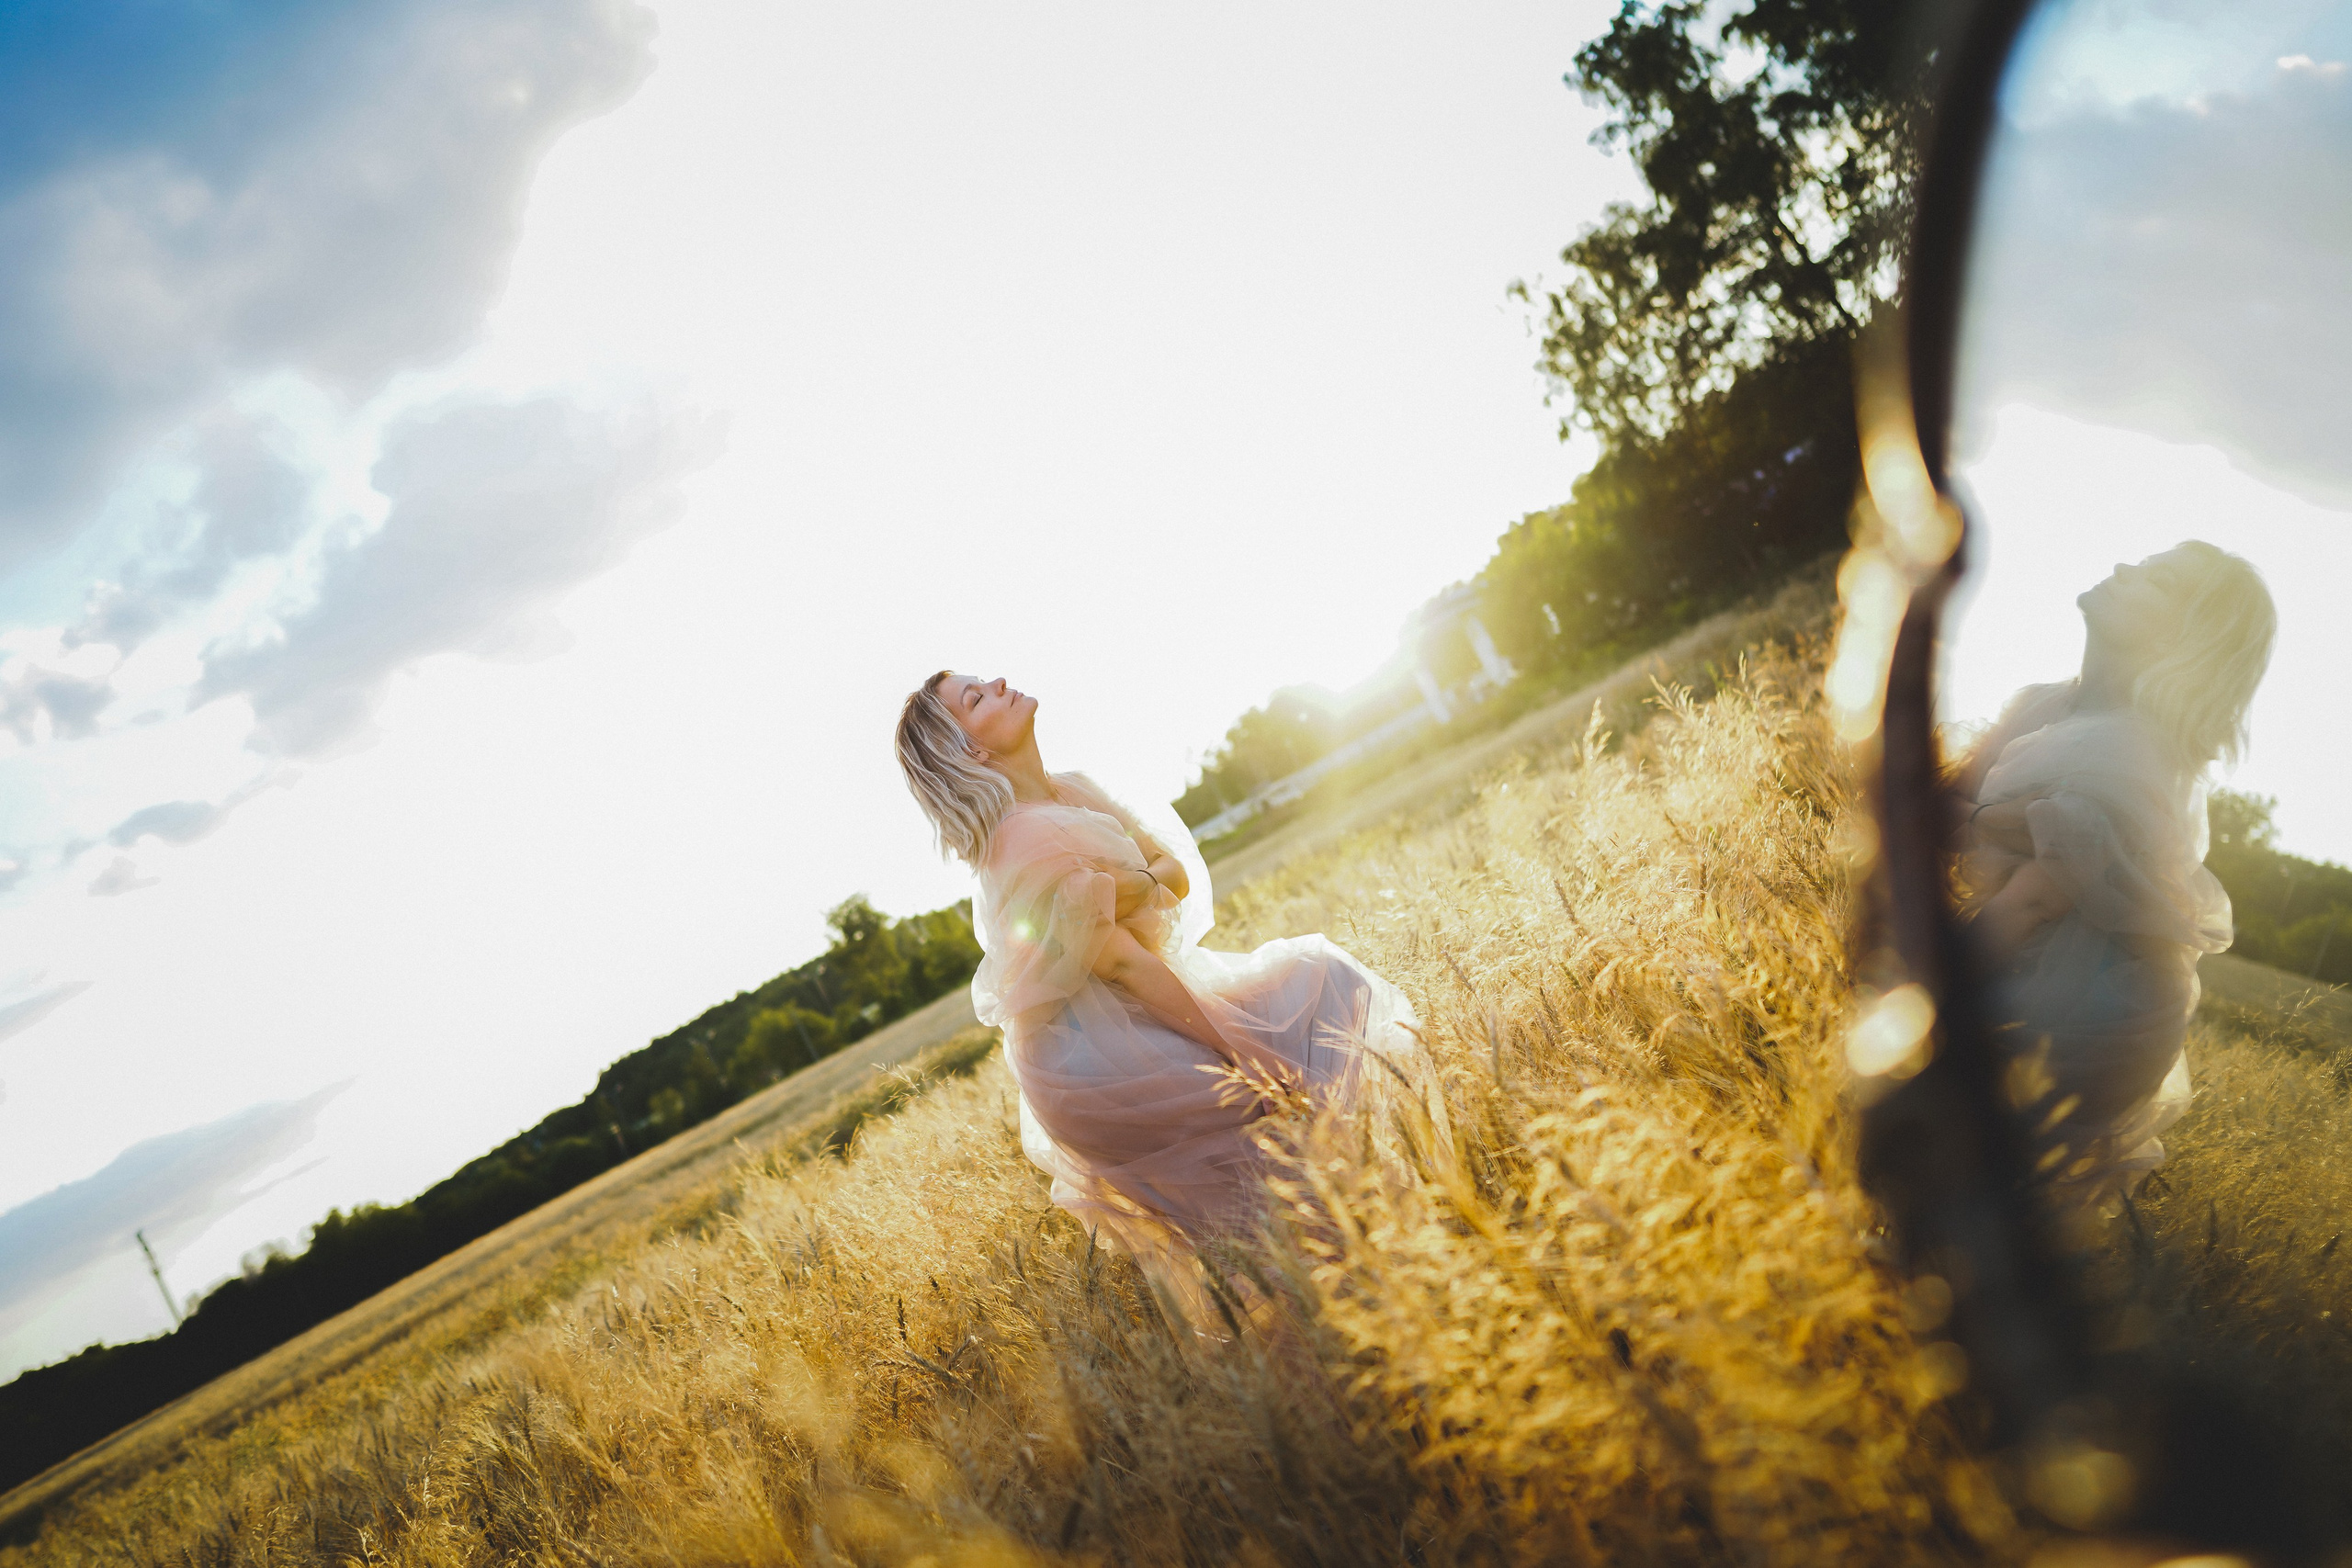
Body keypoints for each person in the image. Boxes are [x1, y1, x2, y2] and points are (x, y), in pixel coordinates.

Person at [894, 671, 1425, 1317]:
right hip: (1091, 1056)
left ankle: (1372, 1270)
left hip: (1131, 1003)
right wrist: (1239, 1051)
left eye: (981, 680)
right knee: (1272, 1109)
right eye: (975, 698)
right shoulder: (1021, 838)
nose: (999, 681)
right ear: (970, 751)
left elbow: (1170, 872)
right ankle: (1348, 1307)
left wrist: (1122, 892)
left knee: (1320, 989)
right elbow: (1121, 963)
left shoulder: (1073, 789)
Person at [1951, 541, 2276, 1214]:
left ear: (2179, 641)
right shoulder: (2044, 703)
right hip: (2035, 948)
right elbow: (1955, 802)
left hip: (2092, 1007)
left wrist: (1928, 982)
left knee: (1952, 1165)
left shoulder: (2129, 754)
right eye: (2147, 559)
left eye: (2159, 580)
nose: (2130, 567)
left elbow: (2032, 898)